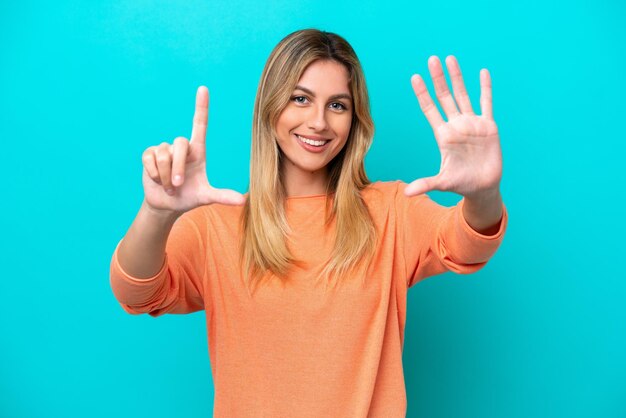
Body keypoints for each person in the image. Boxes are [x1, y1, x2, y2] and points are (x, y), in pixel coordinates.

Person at [110, 28, 508, 417]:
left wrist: (483, 192)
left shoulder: (390, 211)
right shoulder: (218, 225)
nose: (319, 121)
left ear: (355, 120)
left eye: (338, 105)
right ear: (271, 106)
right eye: (301, 99)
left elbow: (468, 243)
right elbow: (136, 292)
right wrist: (157, 212)